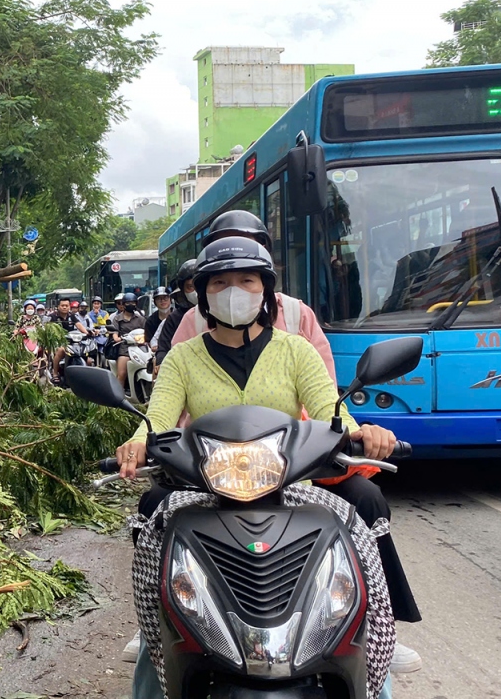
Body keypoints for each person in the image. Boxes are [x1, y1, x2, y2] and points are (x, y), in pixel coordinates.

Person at [118, 237, 402, 698]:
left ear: (265, 290)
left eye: (246, 280)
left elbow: (334, 414)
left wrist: (364, 431)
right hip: (205, 491)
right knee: (153, 517)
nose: (234, 290)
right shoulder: (183, 357)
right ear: (204, 294)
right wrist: (135, 444)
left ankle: (374, 668)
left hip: (292, 488)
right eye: (221, 282)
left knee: (360, 520)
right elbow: (157, 420)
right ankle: (157, 642)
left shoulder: (295, 351)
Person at [153, 259, 197, 376]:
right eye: (190, 287)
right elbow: (164, 347)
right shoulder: (175, 318)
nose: (196, 292)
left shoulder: (221, 315)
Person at [107, 292, 146, 392]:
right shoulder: (117, 319)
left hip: (140, 347)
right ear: (123, 305)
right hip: (124, 348)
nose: (131, 305)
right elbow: (114, 334)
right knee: (122, 374)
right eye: (128, 303)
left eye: (133, 303)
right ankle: (118, 395)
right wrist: (118, 338)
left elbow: (147, 333)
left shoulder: (141, 319)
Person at [48, 298, 88, 383]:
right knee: (61, 350)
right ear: (58, 306)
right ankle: (55, 373)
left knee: (85, 352)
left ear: (69, 306)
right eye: (62, 305)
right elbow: (48, 329)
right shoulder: (52, 316)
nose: (64, 307)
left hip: (72, 342)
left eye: (66, 306)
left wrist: (87, 333)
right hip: (57, 342)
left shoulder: (72, 316)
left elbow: (79, 325)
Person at [142, 287, 172, 352]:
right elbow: (148, 341)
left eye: (165, 298)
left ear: (171, 299)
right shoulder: (150, 321)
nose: (162, 301)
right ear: (155, 302)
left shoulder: (177, 316)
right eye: (159, 298)